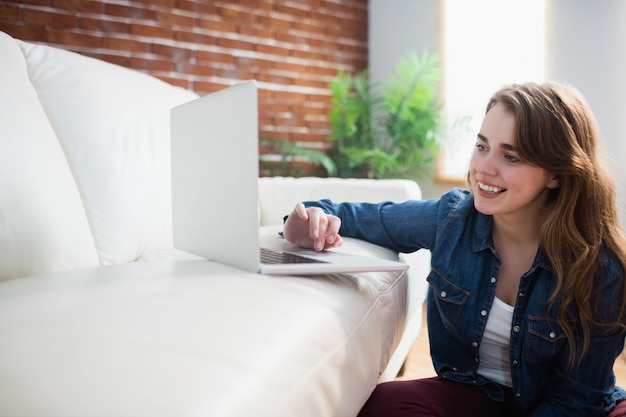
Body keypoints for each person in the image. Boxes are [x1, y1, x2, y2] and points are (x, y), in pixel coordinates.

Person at [282, 82, 626, 416]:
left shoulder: (599, 268)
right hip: (477, 395)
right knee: (385, 405)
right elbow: (347, 215)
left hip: (572, 408)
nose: (484, 168)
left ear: (555, 174)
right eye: (482, 146)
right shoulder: (451, 220)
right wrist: (307, 220)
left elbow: (577, 400)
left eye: (511, 156)